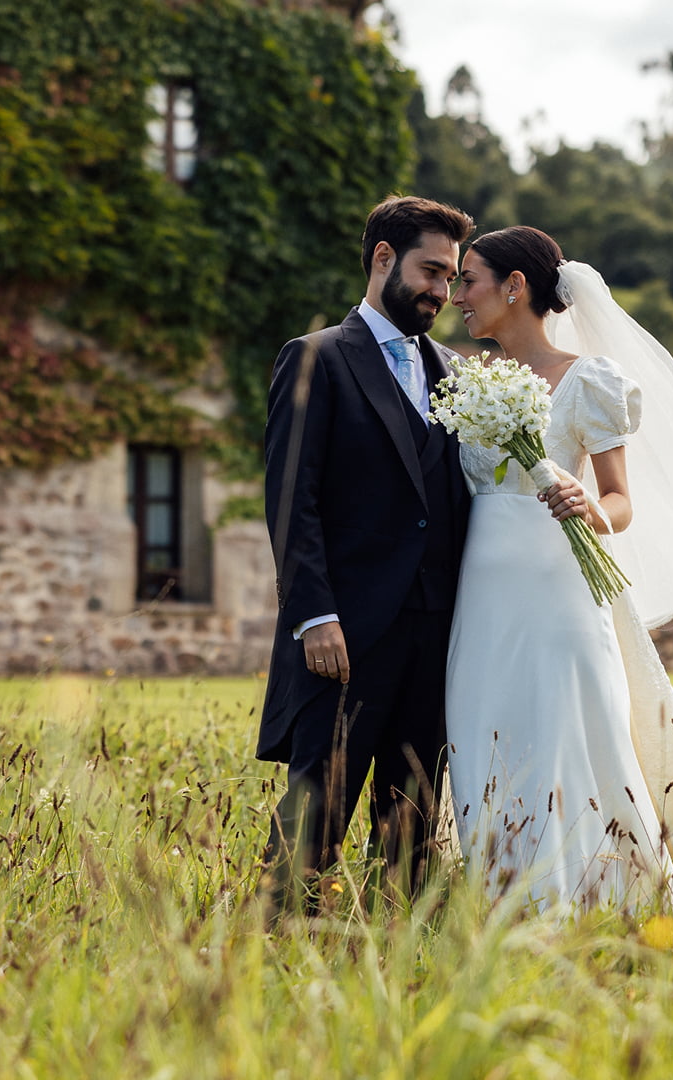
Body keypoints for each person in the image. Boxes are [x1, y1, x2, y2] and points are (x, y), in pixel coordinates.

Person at [442, 226, 673, 914]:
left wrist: (588, 504)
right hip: (483, 593)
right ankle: (498, 894)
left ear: (515, 287)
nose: (456, 295)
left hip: (559, 589)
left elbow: (622, 503)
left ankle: (600, 891)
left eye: (469, 280)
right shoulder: (468, 384)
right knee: (484, 728)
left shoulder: (589, 382)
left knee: (571, 729)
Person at [258, 195, 475, 908]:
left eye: (451, 278)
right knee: (317, 806)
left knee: (413, 817)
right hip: (345, 634)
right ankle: (276, 939)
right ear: (383, 258)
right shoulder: (316, 358)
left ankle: (401, 945)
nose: (442, 292)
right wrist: (314, 615)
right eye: (431, 271)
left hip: (434, 632)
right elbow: (294, 501)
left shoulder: (457, 374)